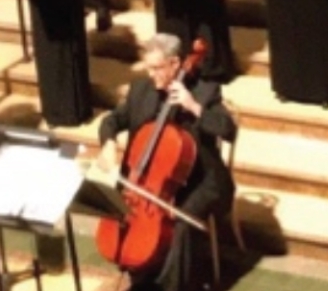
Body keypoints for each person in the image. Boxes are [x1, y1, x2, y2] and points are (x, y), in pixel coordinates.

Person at [97, 33, 237, 291]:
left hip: (201, 179)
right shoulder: (141, 90)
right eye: (148, 67)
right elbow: (111, 121)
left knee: (181, 223)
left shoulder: (205, 91)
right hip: (152, 182)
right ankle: (141, 272)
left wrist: (194, 107)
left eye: (157, 68)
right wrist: (108, 143)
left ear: (175, 64)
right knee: (122, 207)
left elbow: (228, 129)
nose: (152, 74)